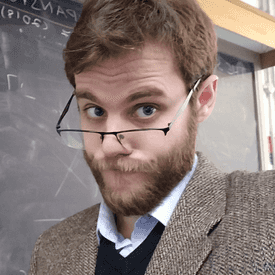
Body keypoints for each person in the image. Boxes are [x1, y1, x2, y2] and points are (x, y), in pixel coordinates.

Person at [29, 0, 275, 274]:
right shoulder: (51, 250)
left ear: (203, 98)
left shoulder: (267, 213)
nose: (109, 146)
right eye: (95, 110)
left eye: (146, 109)